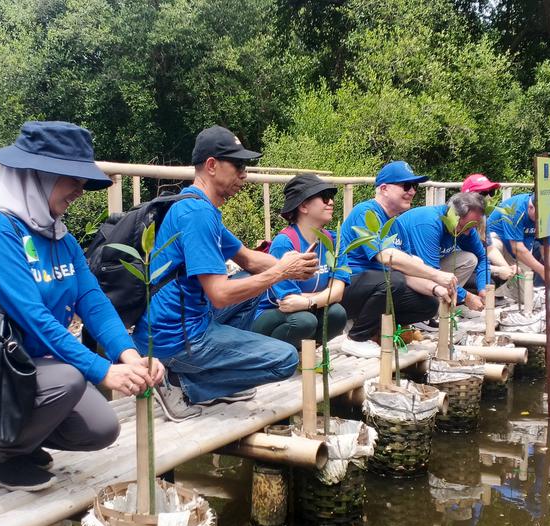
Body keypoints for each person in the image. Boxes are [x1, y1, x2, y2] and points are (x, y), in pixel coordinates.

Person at [0, 121, 164, 491]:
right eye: (72, 178)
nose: (80, 190)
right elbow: (33, 318)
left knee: (100, 428)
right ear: (35, 175)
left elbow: (92, 300)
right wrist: (101, 370)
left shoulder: (59, 235)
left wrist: (129, 355)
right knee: (70, 378)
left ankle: (22, 444)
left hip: (31, 368)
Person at [134, 126, 317, 421]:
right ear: (211, 165)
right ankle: (181, 383)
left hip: (177, 322)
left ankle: (214, 379)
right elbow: (219, 295)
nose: (244, 174)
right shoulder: (197, 215)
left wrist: (291, 264)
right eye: (238, 166)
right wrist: (281, 273)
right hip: (174, 338)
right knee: (285, 359)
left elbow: (249, 259)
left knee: (249, 286)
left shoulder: (195, 204)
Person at [337, 161, 454, 358]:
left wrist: (436, 288)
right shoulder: (366, 212)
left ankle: (376, 330)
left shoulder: (396, 225)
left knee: (428, 305)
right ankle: (356, 338)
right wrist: (436, 274)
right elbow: (385, 256)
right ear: (384, 188)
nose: (412, 191)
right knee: (394, 280)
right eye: (406, 186)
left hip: (382, 287)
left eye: (414, 186)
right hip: (349, 289)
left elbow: (406, 272)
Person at [251, 174, 349, 349]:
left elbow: (338, 292)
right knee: (304, 320)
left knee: (337, 313)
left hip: (307, 309)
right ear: (303, 206)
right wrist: (323, 295)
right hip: (271, 315)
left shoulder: (334, 241)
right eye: (324, 197)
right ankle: (275, 355)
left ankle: (306, 352)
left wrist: (309, 302)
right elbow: (288, 301)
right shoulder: (285, 243)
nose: (331, 202)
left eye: (331, 197)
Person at [393, 191, 490, 311]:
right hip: (405, 272)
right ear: (453, 215)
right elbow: (432, 271)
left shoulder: (466, 228)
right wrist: (466, 296)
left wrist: (483, 289)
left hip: (430, 269)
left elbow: (483, 258)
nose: (467, 233)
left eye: (472, 227)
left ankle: (444, 307)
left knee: (470, 259)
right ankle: (428, 309)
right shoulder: (429, 223)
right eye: (464, 227)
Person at [486, 191, 550, 294]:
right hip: (499, 245)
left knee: (526, 295)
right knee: (494, 243)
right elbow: (517, 247)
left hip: (522, 249)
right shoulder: (515, 210)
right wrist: (543, 271)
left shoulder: (546, 214)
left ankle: (504, 293)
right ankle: (493, 291)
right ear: (531, 207)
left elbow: (546, 246)